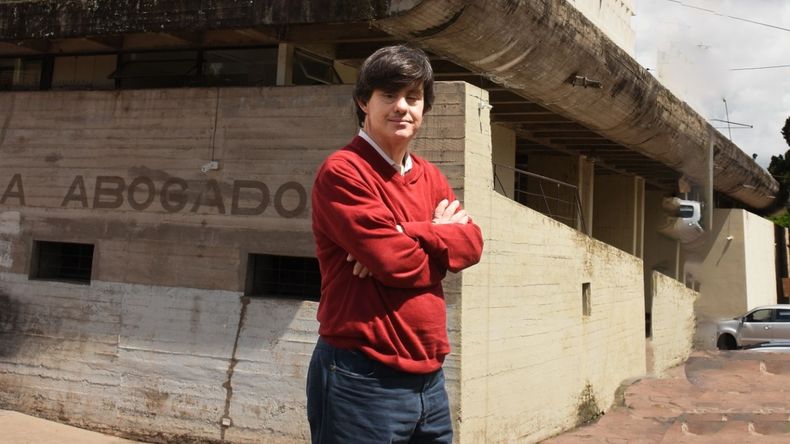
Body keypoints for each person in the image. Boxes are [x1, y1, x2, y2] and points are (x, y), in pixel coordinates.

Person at [307, 45, 484, 444]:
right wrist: (437, 240)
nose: (402, 107)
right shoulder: (344, 171)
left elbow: (472, 245)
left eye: (413, 97)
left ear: (424, 108)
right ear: (363, 102)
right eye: (389, 95)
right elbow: (396, 262)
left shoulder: (431, 176)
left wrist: (406, 231)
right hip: (362, 375)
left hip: (430, 380)